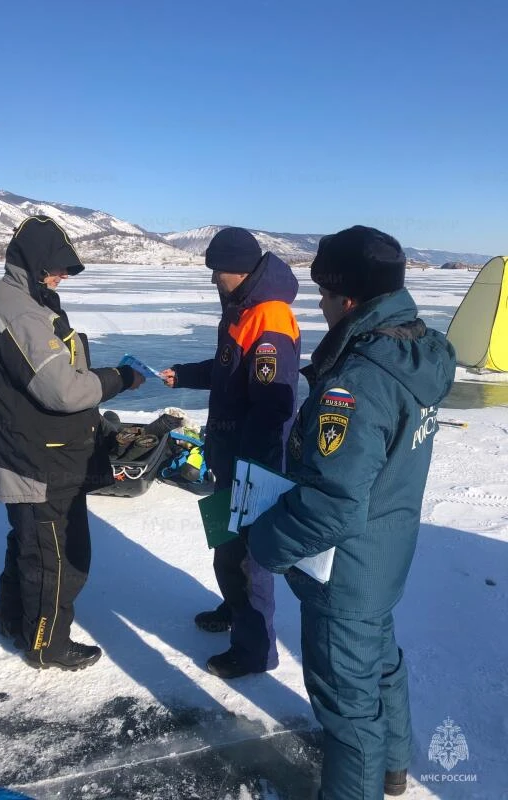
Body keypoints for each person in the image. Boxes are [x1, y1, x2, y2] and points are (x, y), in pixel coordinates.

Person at [248, 226, 456, 799]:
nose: (318, 304)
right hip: (384, 554)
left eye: (323, 292)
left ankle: (367, 778)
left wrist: (264, 544)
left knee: (346, 710)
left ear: (348, 296)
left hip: (347, 567)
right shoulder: (413, 350)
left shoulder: (360, 380)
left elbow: (334, 504)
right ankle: (393, 768)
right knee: (380, 661)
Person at [0, 215, 144, 671]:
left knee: (29, 544)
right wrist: (119, 378)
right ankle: (47, 643)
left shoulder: (21, 298)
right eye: (58, 267)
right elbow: (63, 390)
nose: (62, 276)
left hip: (35, 451)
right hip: (35, 460)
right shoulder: (20, 310)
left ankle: (13, 616)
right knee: (58, 558)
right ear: (34, 261)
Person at [161, 226, 301, 679]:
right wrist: (181, 374)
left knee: (247, 557)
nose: (214, 280)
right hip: (228, 454)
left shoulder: (270, 317)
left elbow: (273, 403)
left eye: (216, 271)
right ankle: (234, 609)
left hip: (251, 463)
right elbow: (228, 373)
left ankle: (255, 650)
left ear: (235, 270)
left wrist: (253, 472)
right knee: (226, 546)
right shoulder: (241, 312)